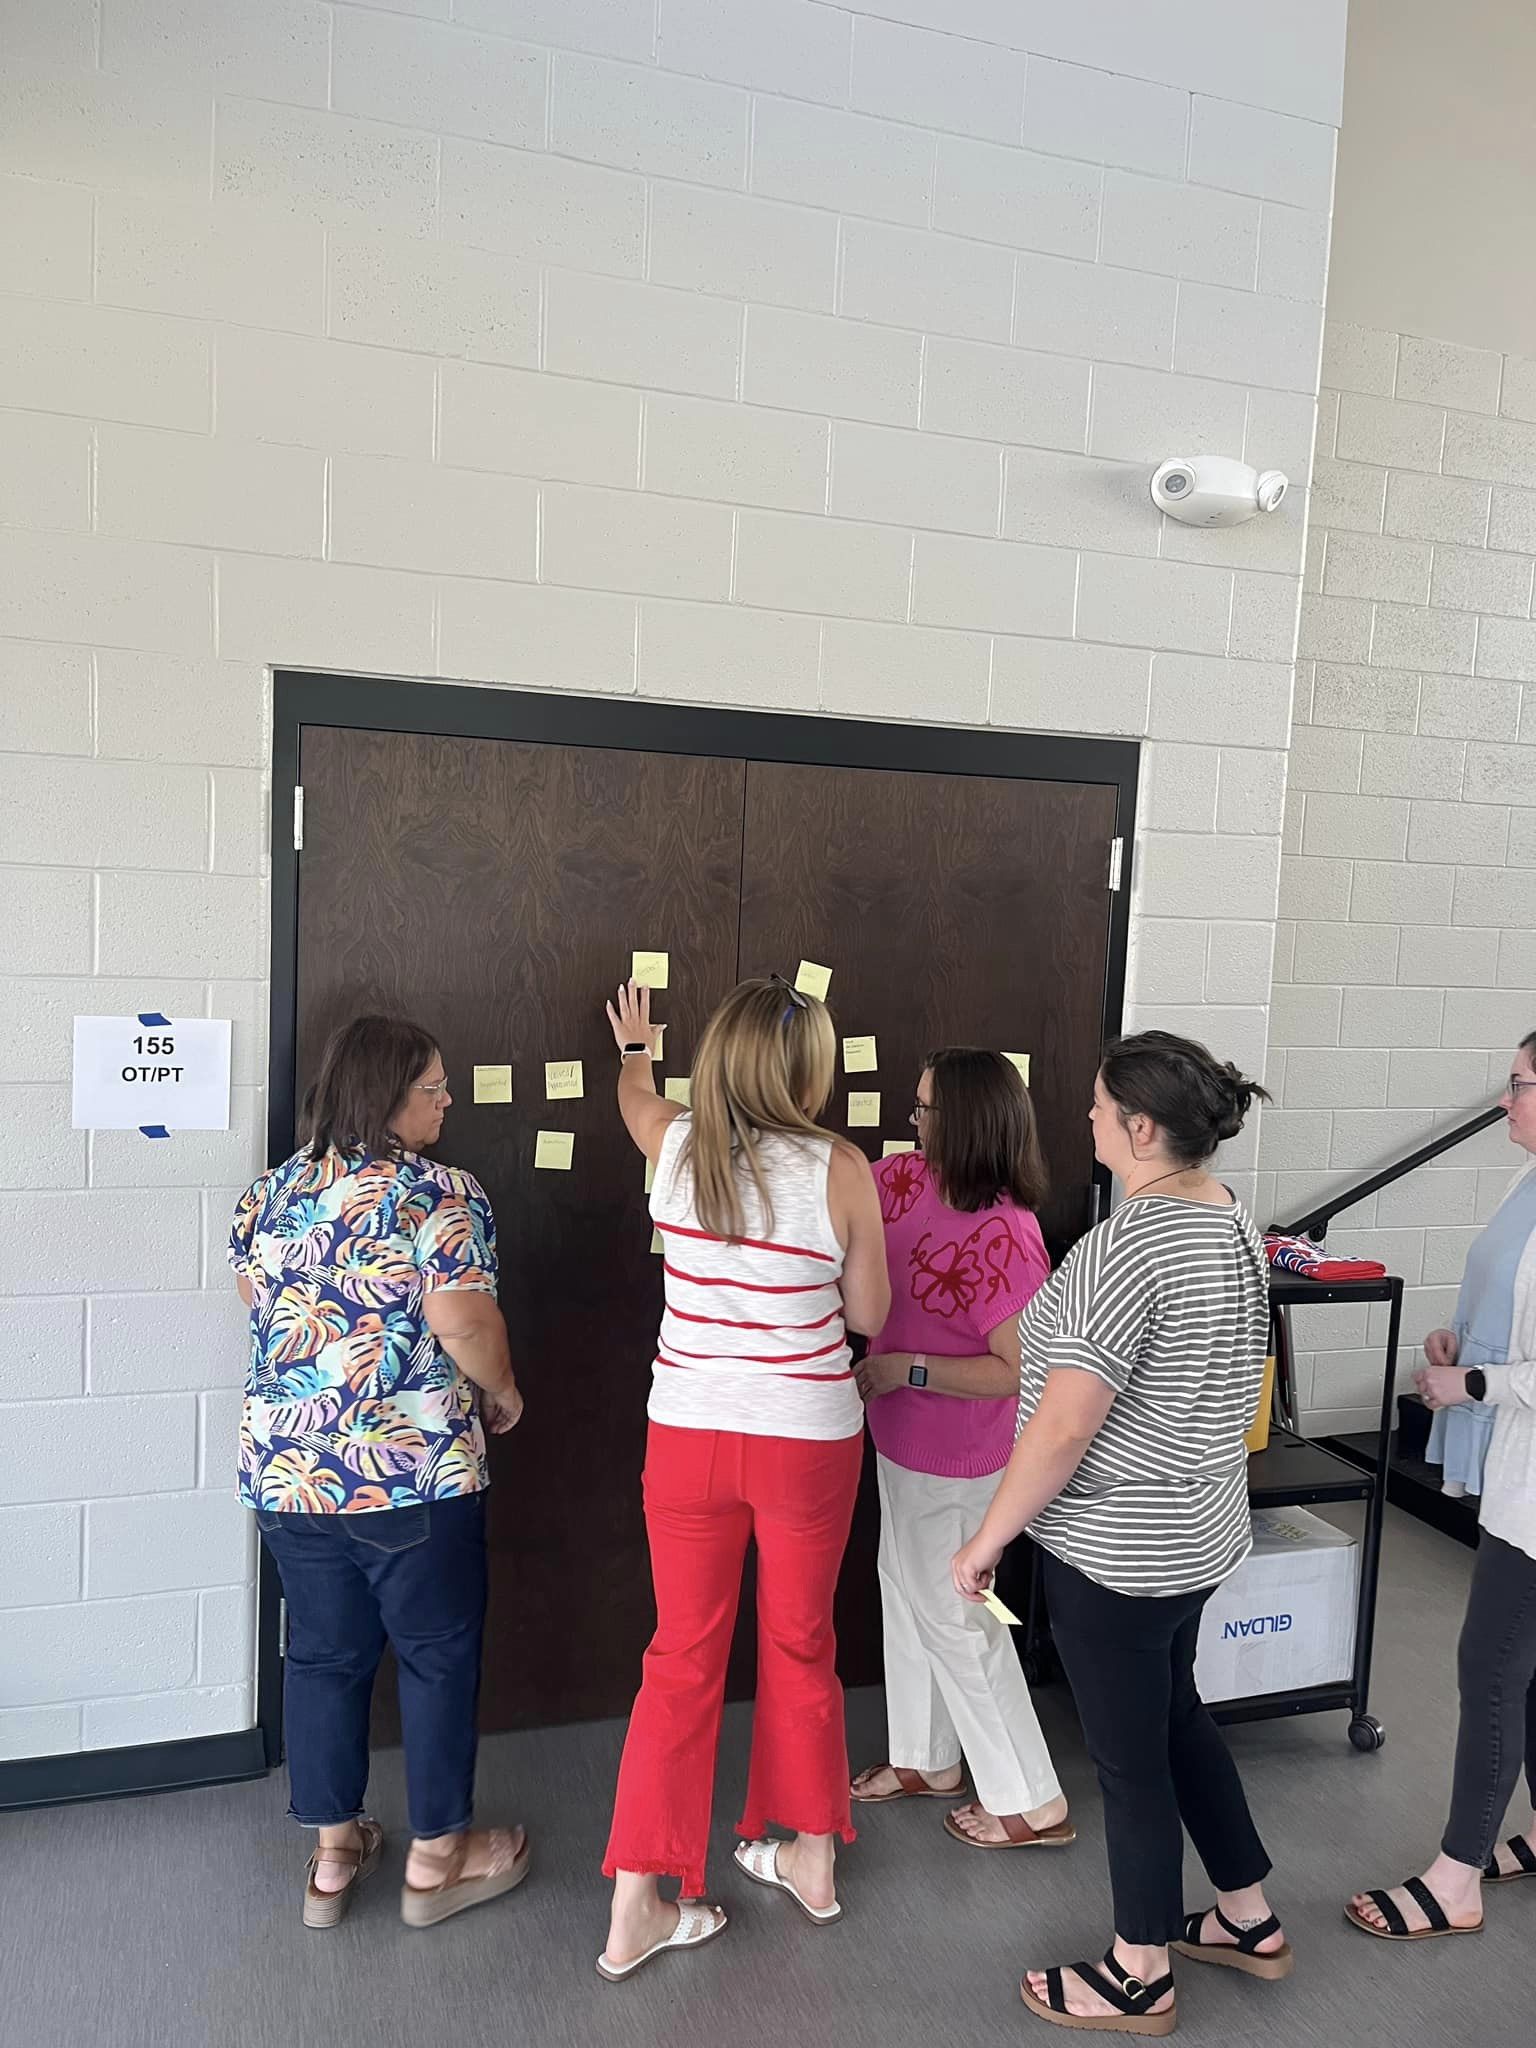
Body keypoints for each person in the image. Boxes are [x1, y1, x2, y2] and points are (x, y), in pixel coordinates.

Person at [952, 1031, 1289, 2036]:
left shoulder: (1127, 1245)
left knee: (1131, 1761)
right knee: (1177, 1718)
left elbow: (1063, 1423)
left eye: (1099, 1106)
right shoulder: (1227, 1215)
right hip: (1198, 1531)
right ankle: (1247, 1913)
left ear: (1140, 1126)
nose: (1087, 1118)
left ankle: (1140, 1969)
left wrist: (986, 1540)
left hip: (1121, 1549)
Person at [596, 975, 890, 1982]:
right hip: (805, 1435)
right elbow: (870, 1315)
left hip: (687, 1434)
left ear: (717, 1059)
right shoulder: (841, 1165)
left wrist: (638, 1045)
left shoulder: (676, 1141)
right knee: (801, 1641)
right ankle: (809, 1856)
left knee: (679, 1653)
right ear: (810, 1068)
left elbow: (635, 1098)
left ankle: (638, 1901)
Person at [230, 1015, 528, 1931]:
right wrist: (505, 1390)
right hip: (412, 1475)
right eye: (433, 1087)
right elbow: (464, 1322)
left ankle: (332, 1854)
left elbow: (259, 1302)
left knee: (320, 1656)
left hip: (290, 1476)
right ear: (386, 1096)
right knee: (437, 1659)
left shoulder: (269, 1193)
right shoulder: (439, 1194)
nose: (447, 1100)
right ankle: (438, 1860)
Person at [850, 1049, 1069, 1851]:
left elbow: (1011, 1373)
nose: (912, 1122)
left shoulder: (1010, 1236)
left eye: (925, 1110)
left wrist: (905, 1367)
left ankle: (1031, 1801)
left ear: (966, 1122)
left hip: (963, 1456)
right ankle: (926, 1759)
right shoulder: (905, 1179)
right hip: (898, 1439)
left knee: (958, 1617)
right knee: (904, 1592)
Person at [1346, 1031, 1536, 1941]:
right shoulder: (1525, 1180)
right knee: (1527, 1670)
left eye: (1520, 1084)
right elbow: (1504, 1300)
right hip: (1514, 1453)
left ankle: (1456, 1880)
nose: (1506, 1101)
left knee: (1491, 1667)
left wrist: (1480, 1386)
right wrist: (1457, 1345)